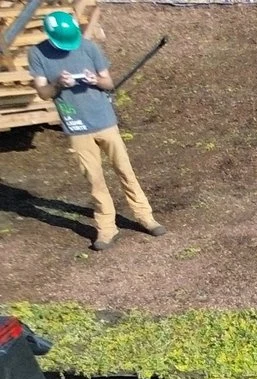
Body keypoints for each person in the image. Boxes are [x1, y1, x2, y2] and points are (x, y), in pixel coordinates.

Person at [25, 11, 163, 253]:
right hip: (76, 127)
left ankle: (145, 216)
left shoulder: (89, 48)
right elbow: (43, 93)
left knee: (125, 170)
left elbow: (108, 83)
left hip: (105, 121)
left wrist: (94, 81)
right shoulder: (37, 54)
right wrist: (57, 83)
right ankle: (107, 227)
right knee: (94, 180)